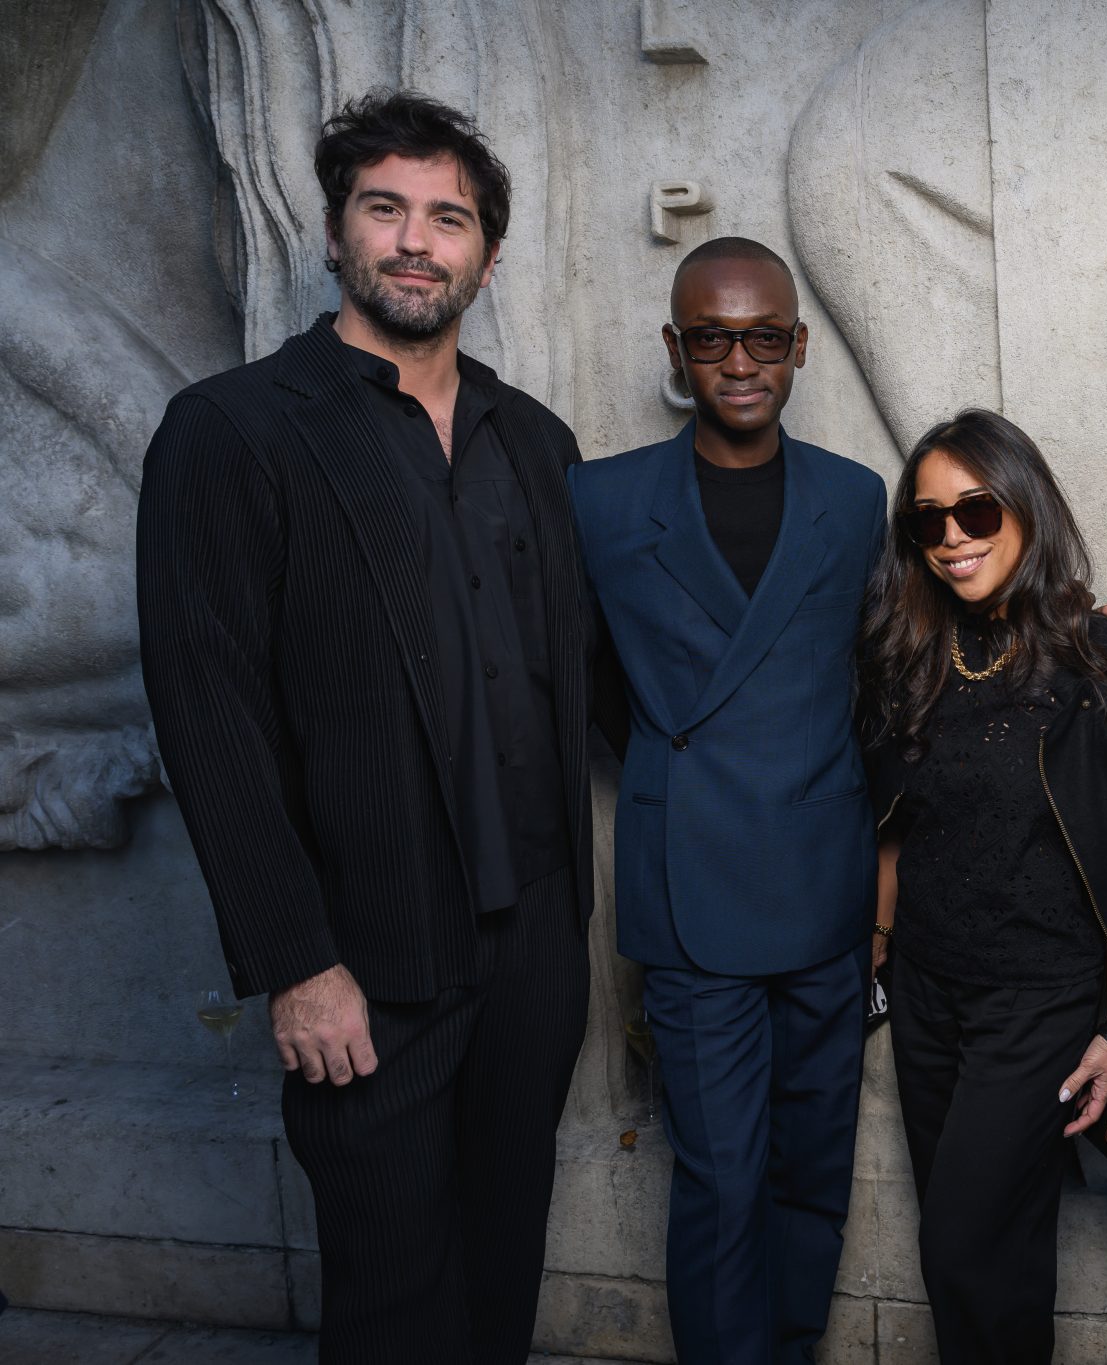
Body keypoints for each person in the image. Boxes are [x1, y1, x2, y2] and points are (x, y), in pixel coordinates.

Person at [135, 92, 592, 1363]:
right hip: (363, 965)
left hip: (535, 951)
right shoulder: (234, 432)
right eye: (384, 208)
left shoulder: (538, 443)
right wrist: (296, 960)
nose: (415, 241)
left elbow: (598, 677)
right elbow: (208, 715)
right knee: (392, 1308)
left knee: (501, 1279)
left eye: (448, 219)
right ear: (336, 234)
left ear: (485, 259)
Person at [858, 408, 1107, 1364]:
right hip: (931, 995)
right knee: (993, 1255)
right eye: (927, 522)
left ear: (1025, 507)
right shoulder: (911, 658)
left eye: (975, 512)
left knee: (961, 1240)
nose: (950, 539)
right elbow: (902, 824)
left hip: (1041, 1001)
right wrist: (879, 953)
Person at [567, 237, 884, 1365]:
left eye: (762, 337)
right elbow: (587, 678)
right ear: (675, 349)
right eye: (712, 338)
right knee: (717, 1176)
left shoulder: (855, 502)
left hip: (823, 884)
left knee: (811, 1166)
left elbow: (872, 680)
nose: (738, 360)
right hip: (689, 880)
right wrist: (674, 762)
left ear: (797, 348)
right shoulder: (600, 501)